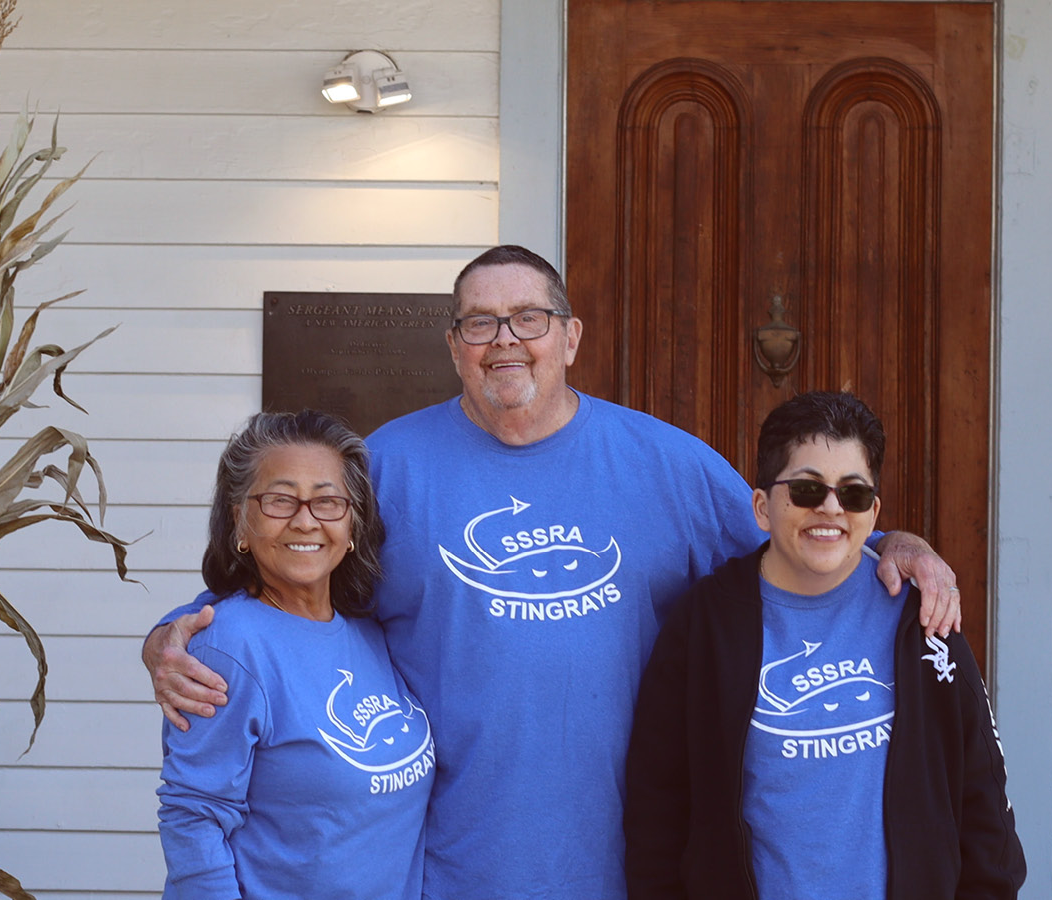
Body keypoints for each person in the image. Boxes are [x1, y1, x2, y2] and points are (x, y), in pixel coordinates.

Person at [145, 246, 962, 900]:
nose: (505, 340)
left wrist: (899, 543)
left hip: (630, 861)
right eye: (479, 323)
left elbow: (804, 530)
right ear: (453, 345)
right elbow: (288, 566)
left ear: (570, 337)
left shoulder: (665, 464)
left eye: (528, 318)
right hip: (450, 864)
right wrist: (172, 638)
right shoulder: (388, 465)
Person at [623, 391, 1025, 899]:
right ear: (763, 507)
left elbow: (983, 795)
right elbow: (657, 809)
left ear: (873, 512)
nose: (831, 507)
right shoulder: (704, 626)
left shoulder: (922, 620)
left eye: (853, 494)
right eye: (808, 488)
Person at [155, 410, 433, 900]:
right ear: (240, 519)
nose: (305, 519)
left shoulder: (370, 632)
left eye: (327, 502)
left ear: (352, 524)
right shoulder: (230, 646)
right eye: (280, 500)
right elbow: (193, 817)